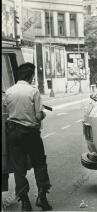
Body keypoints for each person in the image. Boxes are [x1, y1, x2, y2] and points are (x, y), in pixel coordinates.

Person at [3, 63, 52, 211]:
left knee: (19, 168)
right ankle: (42, 198)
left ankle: (24, 202)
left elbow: (7, 108)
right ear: (30, 76)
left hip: (13, 134)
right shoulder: (33, 91)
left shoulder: (9, 91)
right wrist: (42, 113)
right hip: (30, 134)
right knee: (40, 164)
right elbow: (37, 116)